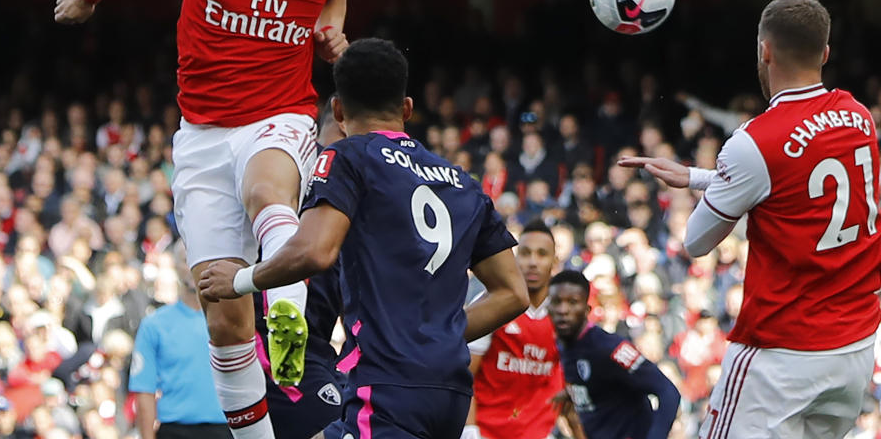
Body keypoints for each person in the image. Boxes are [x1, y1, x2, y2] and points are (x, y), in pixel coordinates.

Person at [54, 0, 437, 439]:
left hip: (280, 115)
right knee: (226, 322)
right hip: (201, 133)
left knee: (268, 190)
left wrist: (331, 28)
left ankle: (286, 307)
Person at [198, 38, 530, 439]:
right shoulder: (463, 182)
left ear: (338, 111)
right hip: (450, 390)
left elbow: (316, 252)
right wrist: (436, 338)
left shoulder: (349, 157)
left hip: (387, 386)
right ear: (407, 108)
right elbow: (513, 293)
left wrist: (238, 282)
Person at [620, 0, 881, 438]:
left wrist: (713, 182)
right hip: (853, 350)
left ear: (764, 50)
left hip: (783, 356)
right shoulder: (857, 116)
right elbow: (797, 183)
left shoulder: (754, 141)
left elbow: (696, 241)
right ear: (825, 53)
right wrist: (699, 177)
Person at [256, 105, 347, 439]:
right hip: (277, 343)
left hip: (317, 345)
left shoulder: (282, 167)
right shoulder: (329, 171)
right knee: (343, 424)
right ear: (343, 121)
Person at [549, 270, 679, 439]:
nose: (563, 310)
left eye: (572, 302)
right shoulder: (558, 349)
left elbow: (668, 391)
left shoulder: (610, 348)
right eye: (557, 302)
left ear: (587, 309)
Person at [465, 221, 565, 439]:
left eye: (542, 254)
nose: (533, 262)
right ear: (515, 259)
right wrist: (469, 430)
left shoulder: (564, 315)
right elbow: (464, 374)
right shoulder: (492, 304)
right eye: (525, 253)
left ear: (554, 262)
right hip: (487, 432)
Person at [129, 241, 231, 439]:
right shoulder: (154, 325)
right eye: (186, 260)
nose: (193, 266)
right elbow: (144, 392)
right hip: (174, 430)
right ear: (175, 265)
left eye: (200, 258)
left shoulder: (232, 321)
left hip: (226, 429)